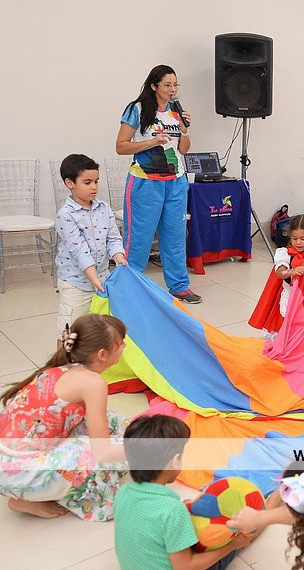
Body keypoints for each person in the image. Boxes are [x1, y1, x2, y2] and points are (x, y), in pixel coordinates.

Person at [0, 314, 128, 521]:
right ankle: (25, 498)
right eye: (121, 343)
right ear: (102, 354)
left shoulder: (63, 367)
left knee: (113, 422)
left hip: (8, 459)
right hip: (17, 472)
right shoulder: (93, 383)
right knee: (102, 451)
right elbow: (102, 451)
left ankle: (27, 492)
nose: (124, 347)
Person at [114, 414, 254, 570]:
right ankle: (269, 507)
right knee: (240, 536)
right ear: (175, 461)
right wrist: (233, 545)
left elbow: (149, 523)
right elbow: (186, 567)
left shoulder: (122, 492)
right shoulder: (173, 511)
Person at [115, 64, 201, 304]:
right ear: (153, 86)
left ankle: (179, 286)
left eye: (176, 85)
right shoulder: (137, 109)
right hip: (145, 181)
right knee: (139, 239)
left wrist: (184, 130)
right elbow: (121, 146)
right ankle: (130, 287)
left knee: (175, 236)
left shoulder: (176, 111)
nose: (173, 90)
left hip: (175, 182)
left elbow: (183, 150)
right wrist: (151, 143)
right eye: (167, 85)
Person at [55, 154, 126, 344]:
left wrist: (119, 256)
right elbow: (79, 251)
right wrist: (94, 278)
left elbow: (113, 237)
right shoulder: (66, 215)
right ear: (70, 183)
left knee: (98, 330)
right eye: (87, 182)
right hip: (75, 284)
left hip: (102, 279)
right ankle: (62, 362)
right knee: (70, 332)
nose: (94, 187)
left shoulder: (104, 208)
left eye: (96, 181)